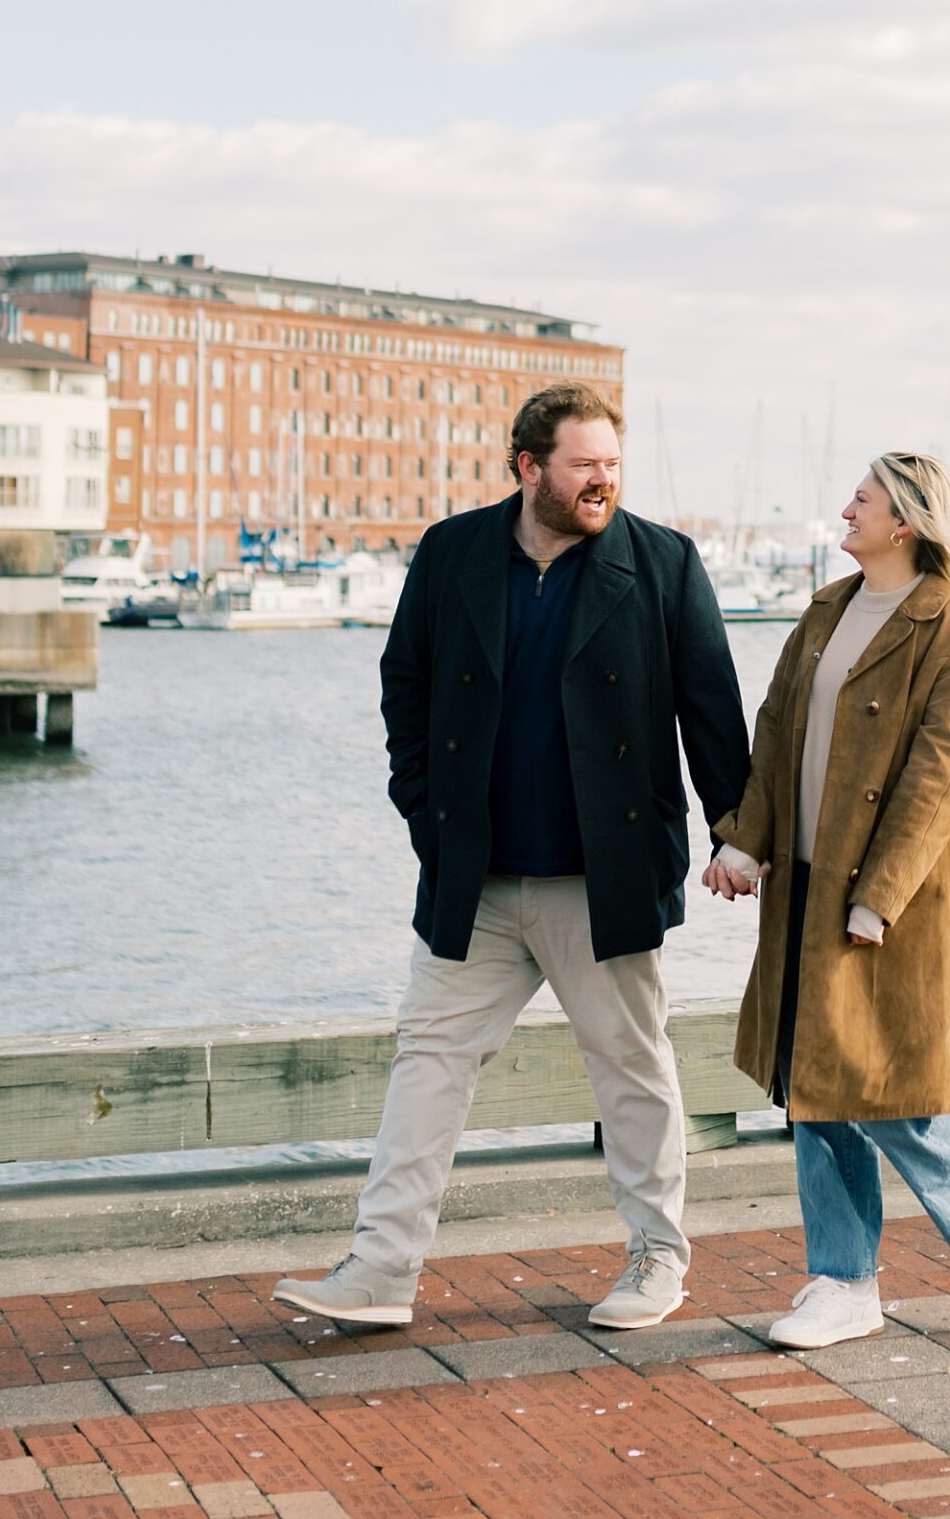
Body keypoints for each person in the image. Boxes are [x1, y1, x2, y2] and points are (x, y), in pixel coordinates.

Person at [275, 381, 750, 1334]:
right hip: (477, 880)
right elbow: (403, 687)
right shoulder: (454, 553)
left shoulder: (661, 563)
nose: (602, 481)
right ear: (529, 467)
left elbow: (711, 709)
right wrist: (426, 813)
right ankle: (381, 1268)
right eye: (584, 465)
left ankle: (658, 1259)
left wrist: (733, 832)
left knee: (631, 1066)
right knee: (428, 1061)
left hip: (600, 877)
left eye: (612, 465)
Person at [704, 451, 950, 1348]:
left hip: (886, 893)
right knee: (815, 1085)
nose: (844, 509)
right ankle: (843, 1283)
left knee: (880, 1084)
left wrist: (879, 897)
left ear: (908, 522)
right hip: (803, 883)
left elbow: (939, 778)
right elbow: (775, 736)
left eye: (863, 498)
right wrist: (744, 840)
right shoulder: (825, 609)